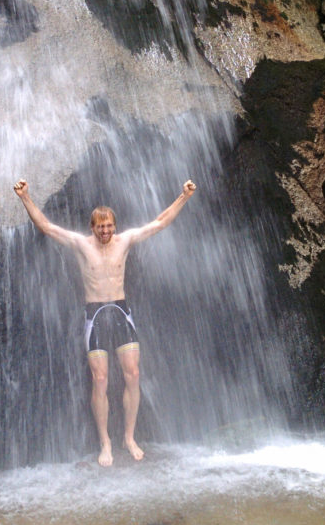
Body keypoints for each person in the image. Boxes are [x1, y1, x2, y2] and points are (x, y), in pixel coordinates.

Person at [13, 178, 197, 467]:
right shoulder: (80, 244)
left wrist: (183, 197)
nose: (106, 231)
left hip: (121, 311)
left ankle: (128, 437)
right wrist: (25, 197)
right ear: (93, 227)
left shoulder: (125, 240)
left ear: (115, 225)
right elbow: (46, 227)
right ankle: (105, 442)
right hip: (95, 314)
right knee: (100, 379)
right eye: (101, 227)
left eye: (109, 225)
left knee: (133, 374)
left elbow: (160, 222)